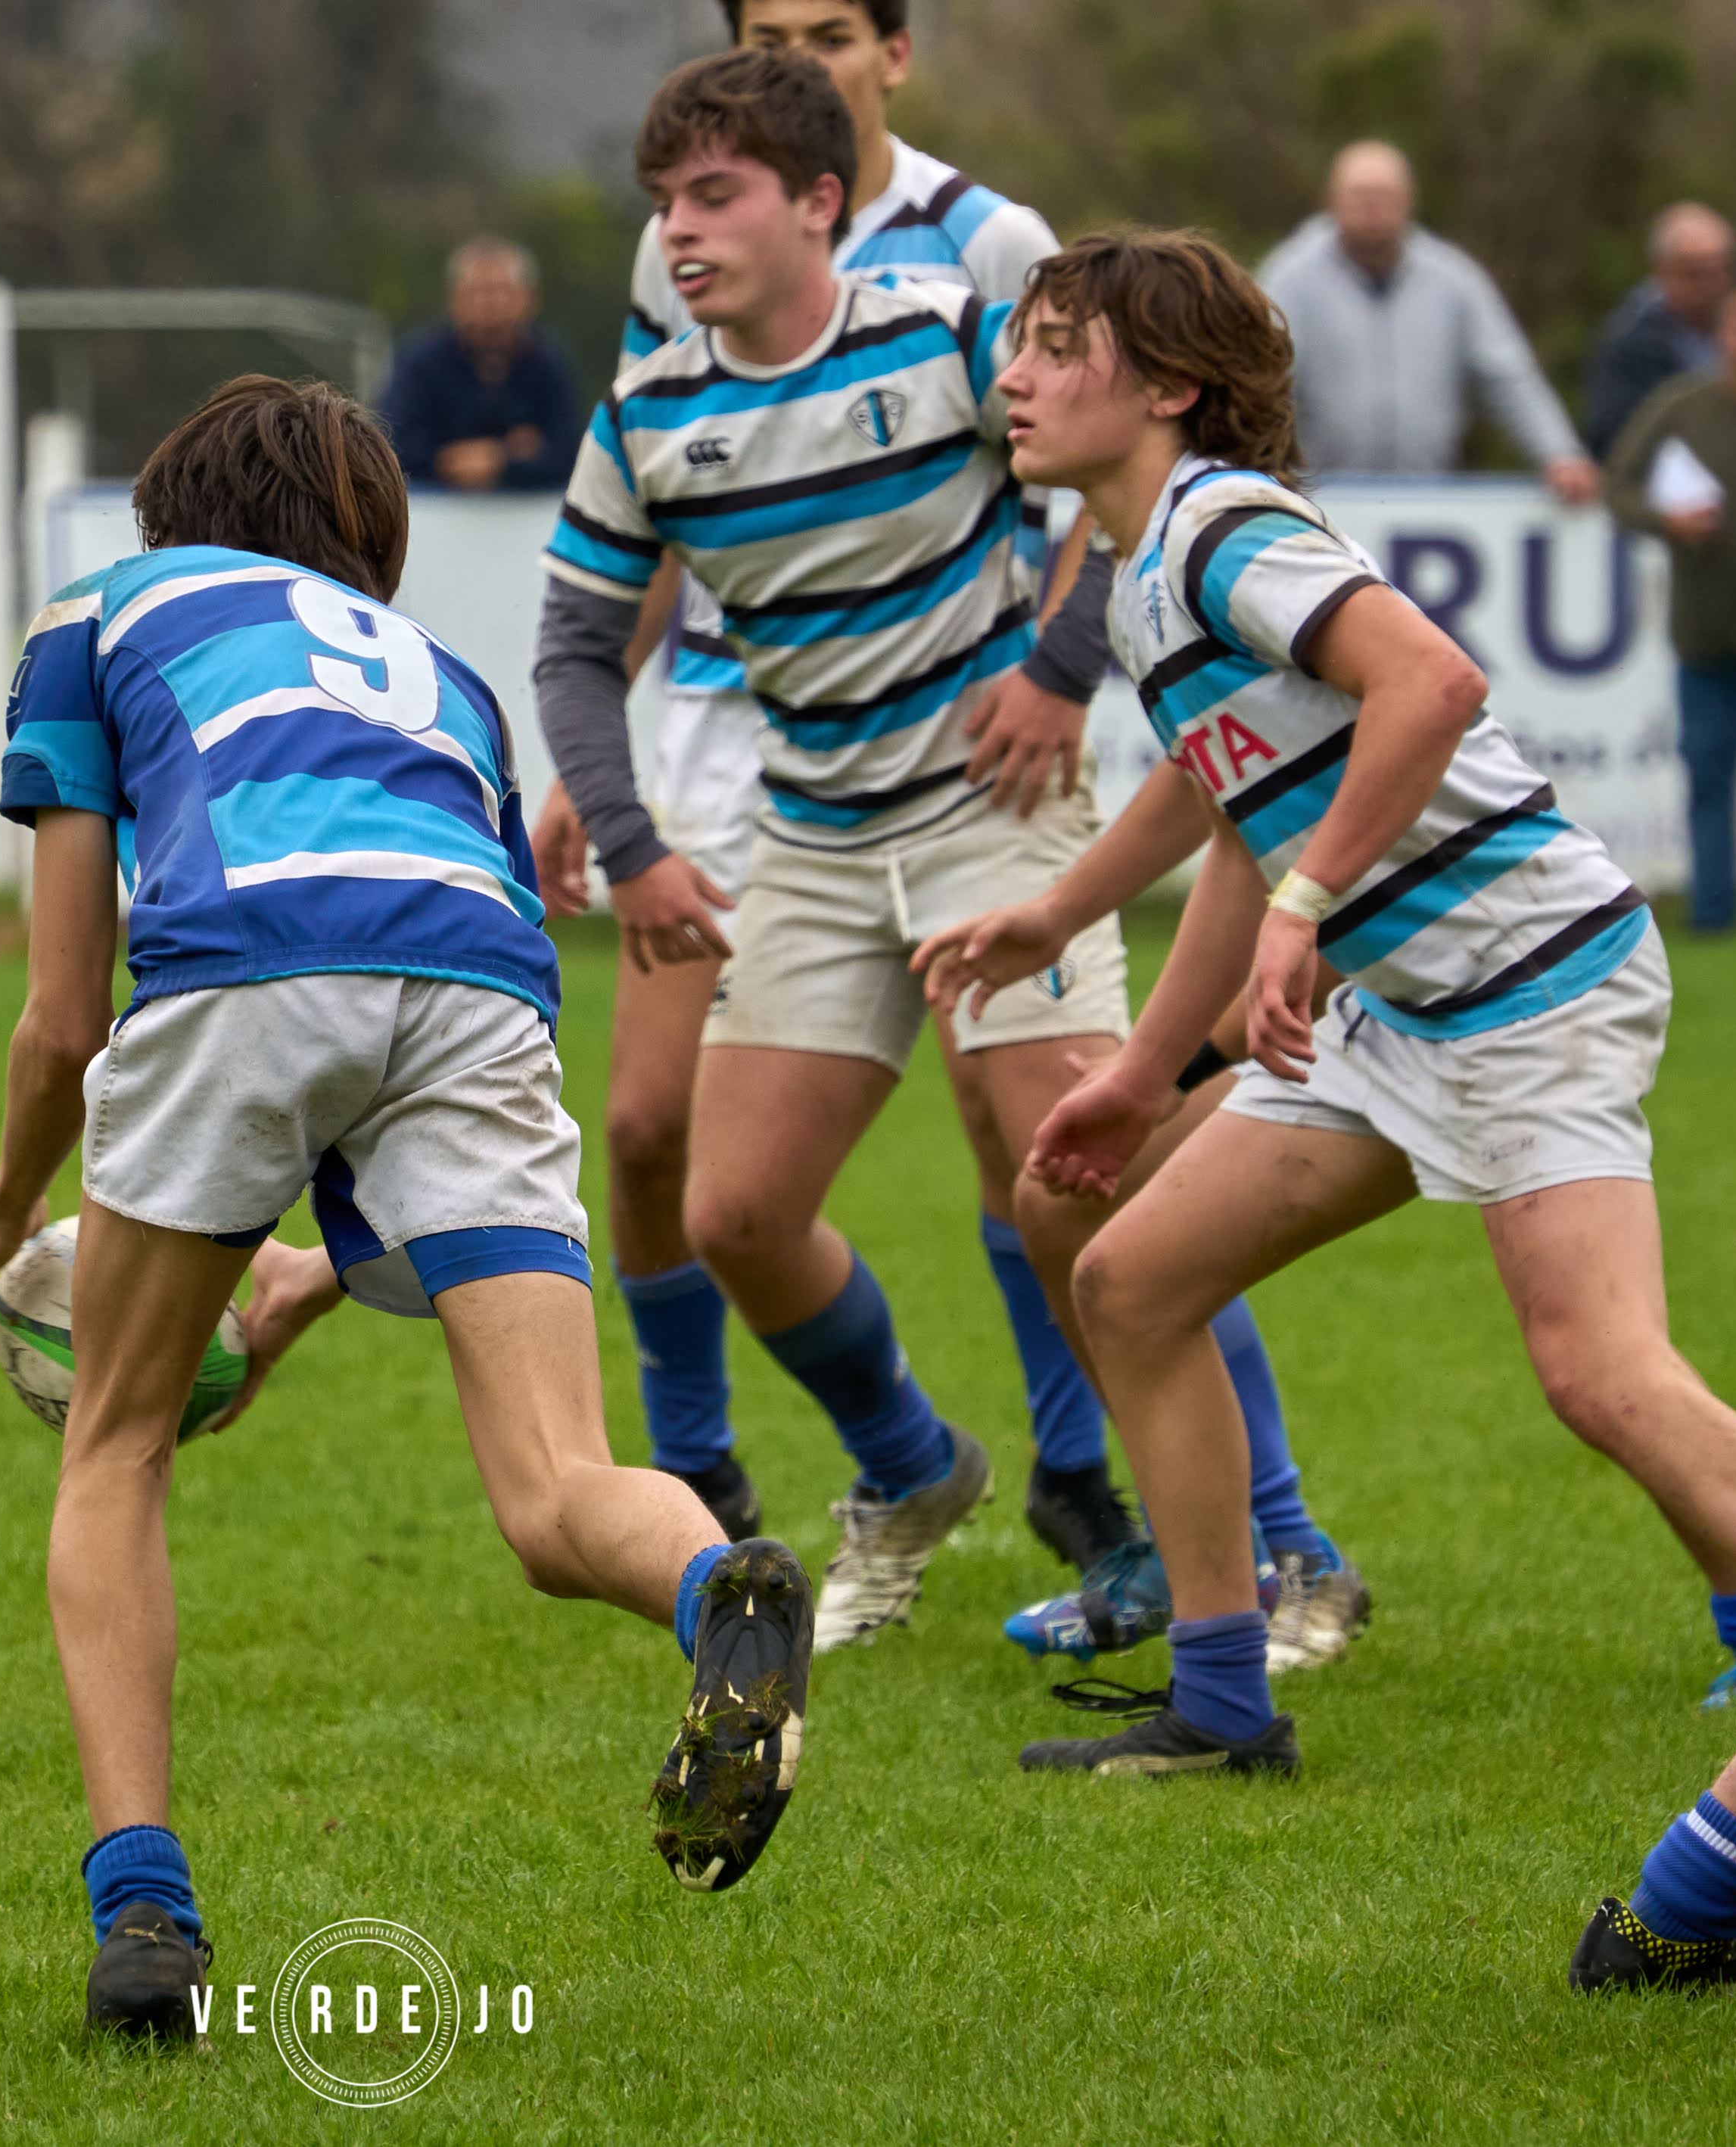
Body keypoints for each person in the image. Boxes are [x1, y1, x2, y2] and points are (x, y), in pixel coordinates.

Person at [0, 374, 814, 2042]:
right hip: (484, 989)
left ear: (168, 513)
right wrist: (297, 1283)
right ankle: (715, 1596)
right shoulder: (444, 681)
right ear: (366, 541)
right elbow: (383, 1029)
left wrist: (1, 1201)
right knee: (553, 1495)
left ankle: (142, 1912)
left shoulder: (100, 614)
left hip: (243, 960)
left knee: (112, 1445)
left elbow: (60, 1010)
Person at [531, 48, 1354, 1662]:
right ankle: (910, 1466)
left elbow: (1108, 470)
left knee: (1075, 1182)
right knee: (737, 1212)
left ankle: (1282, 1548)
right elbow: (568, 641)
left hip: (990, 809)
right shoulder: (647, 408)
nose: (678, 233)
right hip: (813, 836)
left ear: (816, 203)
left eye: (713, 197)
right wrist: (624, 838)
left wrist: (1057, 666)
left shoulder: (934, 333)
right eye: (661, 204)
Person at [952, 230, 1736, 1812]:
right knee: (1126, 1279)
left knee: (1597, 1373)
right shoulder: (1140, 574)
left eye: (1057, 346)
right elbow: (1234, 819)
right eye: (1018, 342)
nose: (1013, 373)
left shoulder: (1214, 524)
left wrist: (1304, 900)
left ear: (1168, 388)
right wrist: (1136, 1069)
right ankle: (1218, 1704)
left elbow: (1431, 684)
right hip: (1403, 1014)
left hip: (1529, 982)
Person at [1258, 142, 1601, 503]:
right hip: (1321, 498)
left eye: (1384, 195)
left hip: (1429, 502)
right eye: (1359, 194)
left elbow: (1508, 376)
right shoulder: (1289, 278)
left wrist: (1560, 454)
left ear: (1409, 201)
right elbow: (1258, 378)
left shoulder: (1454, 279)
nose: (1372, 205)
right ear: (1331, 200)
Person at [1604, 275, 1736, 938]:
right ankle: (1714, 915)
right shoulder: (1682, 407)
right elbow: (1617, 487)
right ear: (1721, 333)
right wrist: (1666, 520)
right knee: (1709, 776)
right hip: (1705, 634)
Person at [380, 237, 580, 493]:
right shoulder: (418, 363)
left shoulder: (549, 364)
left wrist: (500, 462)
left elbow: (569, 453)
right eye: (478, 292)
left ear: (530, 298)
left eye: (502, 291)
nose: (491, 304)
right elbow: (392, 447)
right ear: (453, 299)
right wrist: (459, 462)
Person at [1582, 204, 1734, 458]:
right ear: (1662, 270)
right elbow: (1614, 438)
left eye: (1719, 269)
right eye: (1695, 273)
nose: (1710, 283)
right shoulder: (1629, 343)